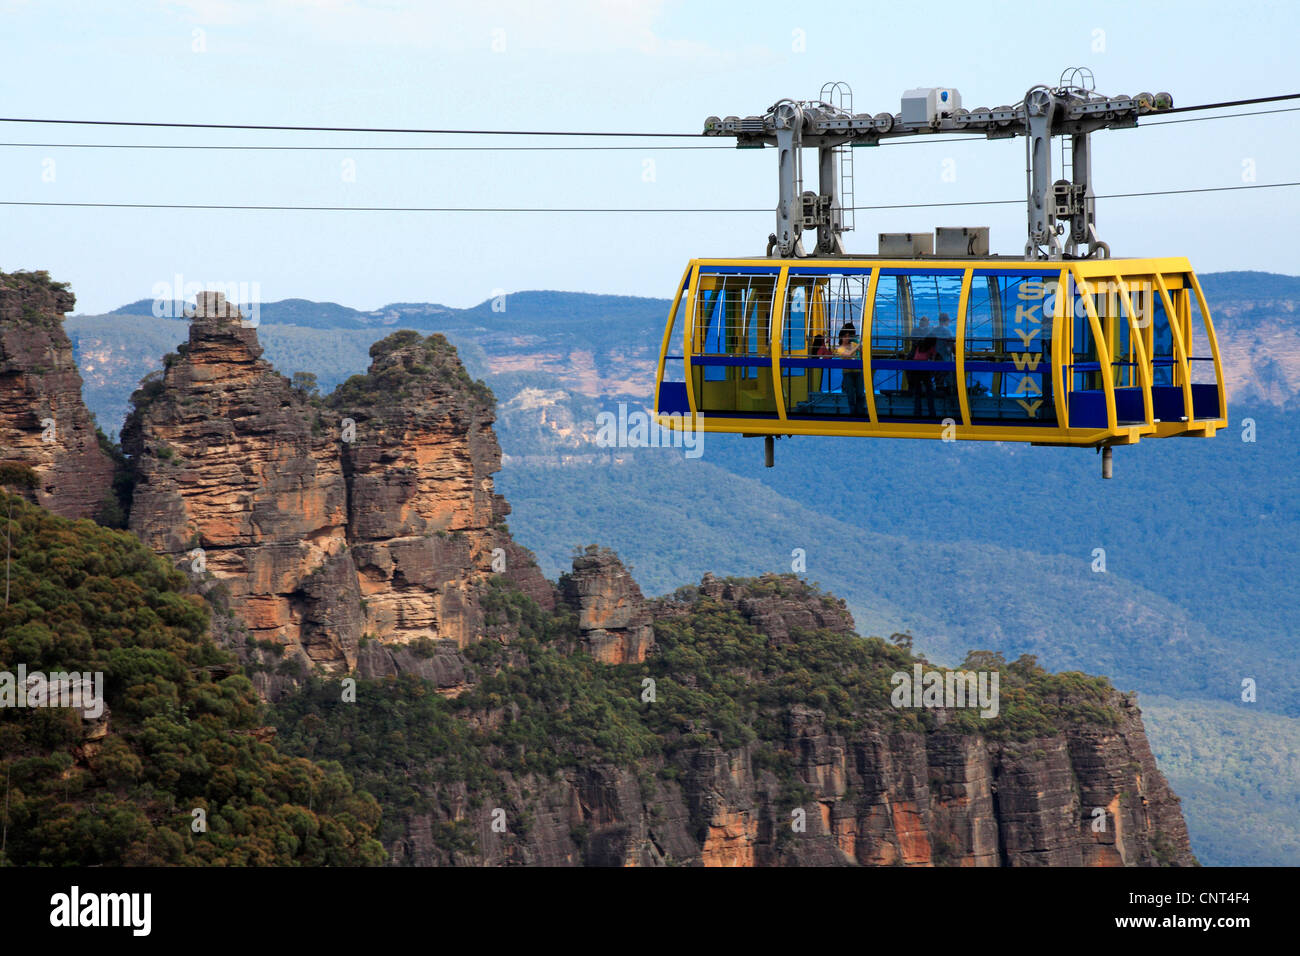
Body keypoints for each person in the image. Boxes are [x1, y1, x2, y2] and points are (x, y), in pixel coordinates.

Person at [836, 324, 866, 417]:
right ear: (841, 337)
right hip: (848, 373)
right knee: (851, 395)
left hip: (858, 372)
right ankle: (853, 415)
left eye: (849, 336)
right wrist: (858, 346)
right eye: (845, 336)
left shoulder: (853, 344)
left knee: (860, 394)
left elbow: (862, 351)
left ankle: (860, 413)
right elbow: (848, 354)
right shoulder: (840, 349)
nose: (847, 338)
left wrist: (860, 346)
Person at [909, 335, 938, 418]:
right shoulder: (932, 347)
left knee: (917, 392)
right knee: (929, 392)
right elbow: (933, 359)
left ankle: (917, 413)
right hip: (925, 370)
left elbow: (915, 356)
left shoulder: (919, 345)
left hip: (915, 369)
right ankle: (932, 413)